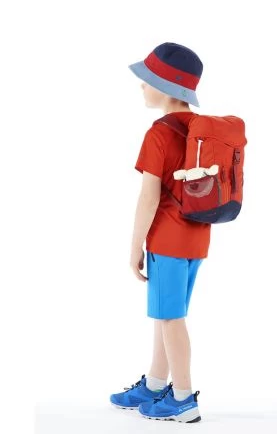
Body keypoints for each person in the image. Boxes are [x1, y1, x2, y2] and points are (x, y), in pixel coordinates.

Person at [109, 43, 210, 423]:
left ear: (167, 88)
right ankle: (154, 385)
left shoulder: (159, 133)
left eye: (147, 80)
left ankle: (183, 398)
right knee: (168, 313)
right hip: (198, 237)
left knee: (170, 319)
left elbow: (148, 197)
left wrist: (135, 247)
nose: (142, 87)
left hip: (167, 240)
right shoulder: (201, 130)